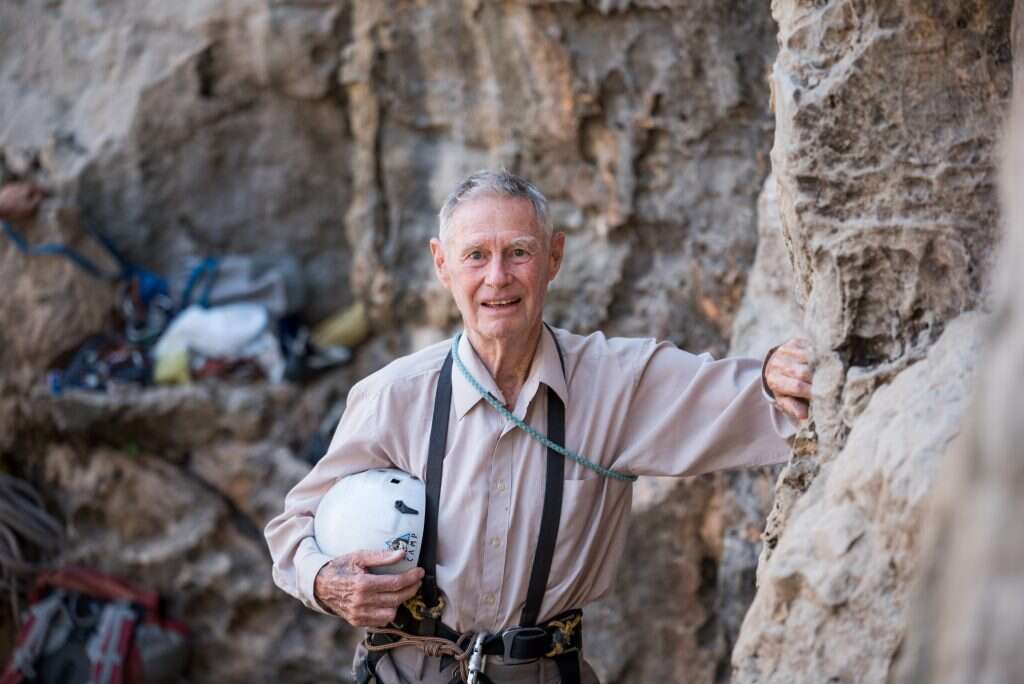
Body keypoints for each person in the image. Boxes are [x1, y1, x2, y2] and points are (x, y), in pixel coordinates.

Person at [265, 170, 812, 683]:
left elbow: (751, 398)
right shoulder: (395, 395)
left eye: (518, 253)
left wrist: (776, 372)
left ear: (554, 257)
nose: (497, 277)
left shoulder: (616, 384)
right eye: (475, 255)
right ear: (441, 265)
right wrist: (324, 581)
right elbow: (294, 525)